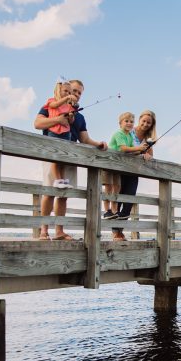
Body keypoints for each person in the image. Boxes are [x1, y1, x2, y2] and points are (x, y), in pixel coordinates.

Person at [33, 78, 107, 240]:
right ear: (64, 91)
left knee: (63, 194)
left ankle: (59, 230)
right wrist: (58, 119)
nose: (76, 95)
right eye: (74, 91)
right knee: (49, 191)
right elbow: (37, 123)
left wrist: (98, 144)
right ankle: (44, 229)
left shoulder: (79, 116)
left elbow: (84, 139)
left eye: (79, 93)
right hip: (52, 153)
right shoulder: (51, 105)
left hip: (70, 156)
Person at [113, 110, 156, 240]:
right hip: (120, 169)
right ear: (139, 120)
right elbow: (122, 147)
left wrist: (147, 154)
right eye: (144, 121)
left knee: (129, 201)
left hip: (133, 172)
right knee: (117, 199)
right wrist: (139, 150)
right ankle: (115, 232)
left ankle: (119, 230)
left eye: (149, 122)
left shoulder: (148, 138)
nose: (145, 124)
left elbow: (150, 154)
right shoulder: (129, 130)